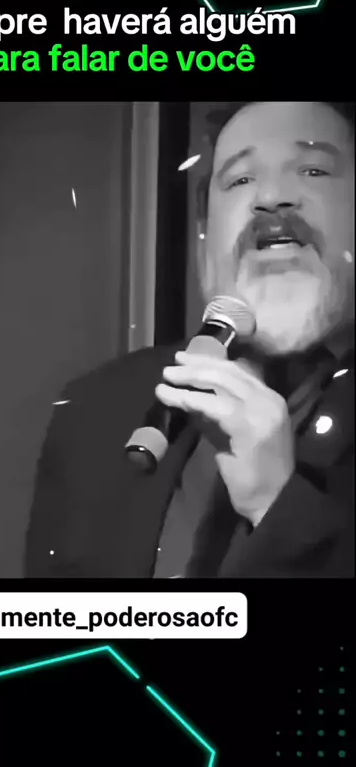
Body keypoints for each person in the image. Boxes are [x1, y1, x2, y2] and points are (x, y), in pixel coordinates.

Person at [25, 101, 354, 578]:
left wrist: (276, 505)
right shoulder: (96, 408)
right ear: (204, 242)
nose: (271, 197)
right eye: (240, 179)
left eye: (314, 170)